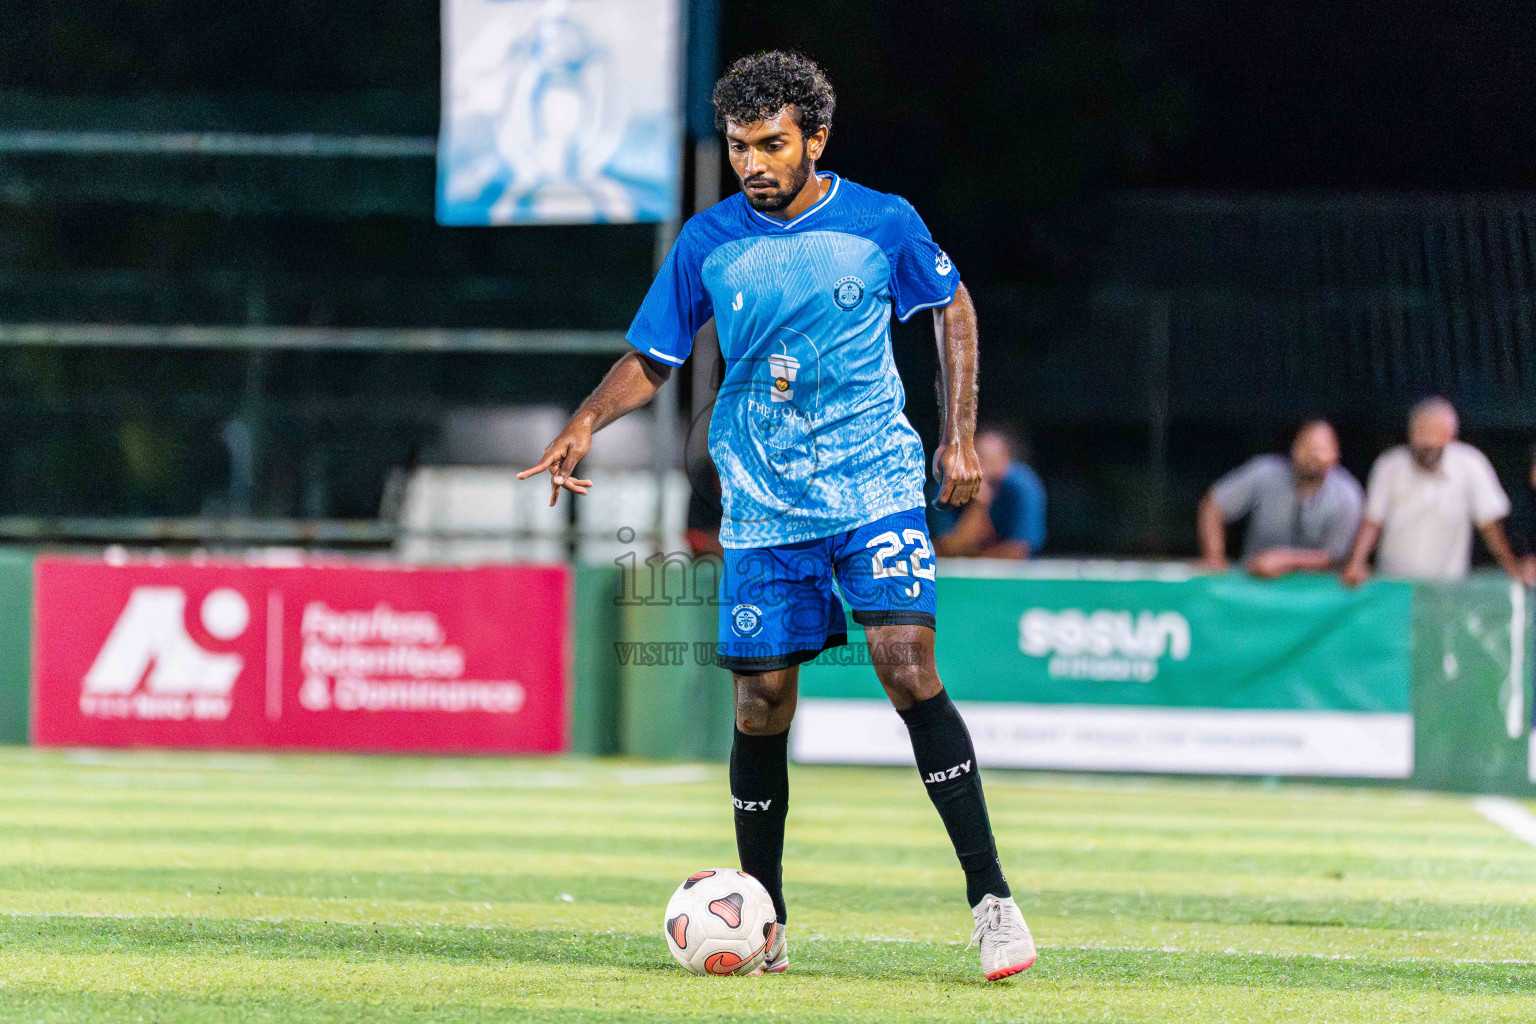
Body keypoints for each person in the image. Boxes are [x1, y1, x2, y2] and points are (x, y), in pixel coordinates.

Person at [518, 52, 1034, 981]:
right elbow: (651, 357)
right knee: (761, 703)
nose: (752, 163)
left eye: (771, 144)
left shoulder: (884, 221)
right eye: (738, 146)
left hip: (874, 480)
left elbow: (951, 306)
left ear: (815, 140)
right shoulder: (707, 240)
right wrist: (586, 422)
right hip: (762, 501)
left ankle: (992, 900)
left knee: (905, 662)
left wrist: (957, 438)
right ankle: (764, 918)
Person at [1342, 397, 1531, 585]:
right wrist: (1356, 562)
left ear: (1451, 435)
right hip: (1394, 585)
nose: (1427, 441)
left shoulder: (1471, 463)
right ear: (1410, 432)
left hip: (1449, 588)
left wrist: (1511, 568)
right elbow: (1373, 521)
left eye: (1436, 432)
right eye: (1421, 432)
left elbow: (1490, 524)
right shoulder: (1389, 465)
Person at [1196, 420, 1362, 578]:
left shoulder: (1348, 494)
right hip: (1255, 582)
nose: (1312, 454)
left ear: (1335, 454)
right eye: (1305, 445)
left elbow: (1339, 556)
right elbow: (1213, 505)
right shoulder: (1264, 472)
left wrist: (1286, 560)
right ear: (1293, 447)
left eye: (1321, 448)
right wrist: (1214, 557)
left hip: (1315, 593)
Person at [930, 424, 1045, 559]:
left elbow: (1018, 553)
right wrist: (979, 504)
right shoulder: (946, 487)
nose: (984, 470)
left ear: (1007, 461)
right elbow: (946, 550)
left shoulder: (1023, 486)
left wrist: (971, 560)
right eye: (976, 460)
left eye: (992, 461)